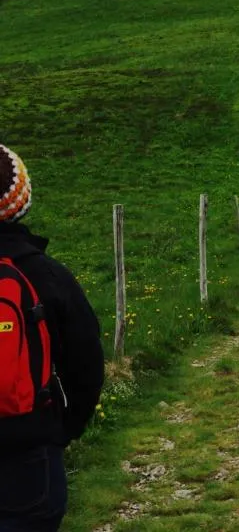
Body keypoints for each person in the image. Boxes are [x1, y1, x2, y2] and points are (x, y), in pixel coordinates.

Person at [0, 143, 105, 531]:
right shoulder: (47, 275)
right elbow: (87, 365)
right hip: (28, 457)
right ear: (20, 202)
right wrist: (62, 429)